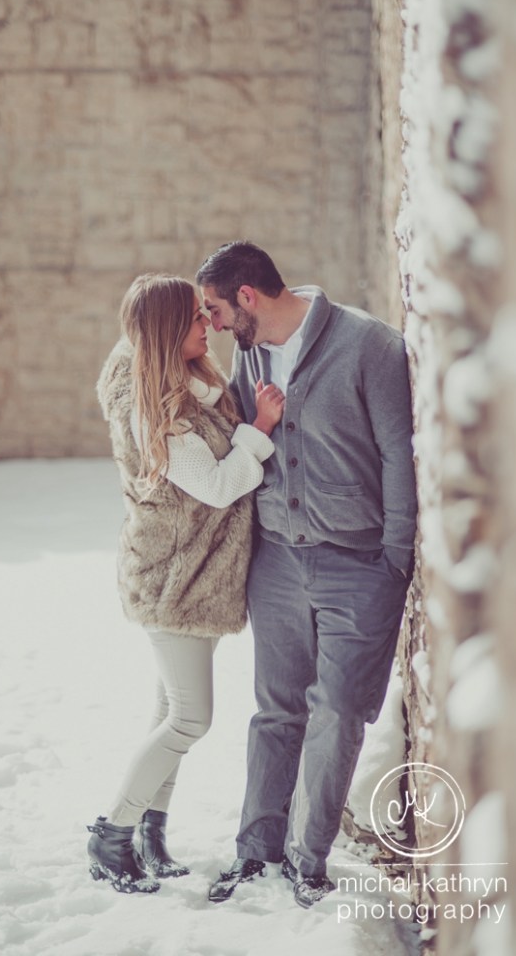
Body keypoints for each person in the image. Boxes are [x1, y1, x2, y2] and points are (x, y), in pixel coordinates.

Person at [196, 241, 417, 909]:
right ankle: (255, 851)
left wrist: (395, 561)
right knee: (276, 711)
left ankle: (306, 858)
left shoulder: (368, 345)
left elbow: (397, 456)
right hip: (277, 563)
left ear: (246, 296)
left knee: (341, 712)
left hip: (359, 565)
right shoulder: (249, 354)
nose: (207, 322)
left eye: (212, 308)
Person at [88, 272, 285, 895]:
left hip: (195, 573)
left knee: (167, 709)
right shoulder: (159, 414)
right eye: (198, 319)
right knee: (191, 718)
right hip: (174, 578)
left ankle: (149, 833)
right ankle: (111, 832)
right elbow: (221, 484)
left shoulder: (183, 383)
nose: (211, 325)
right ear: (171, 333)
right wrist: (260, 430)